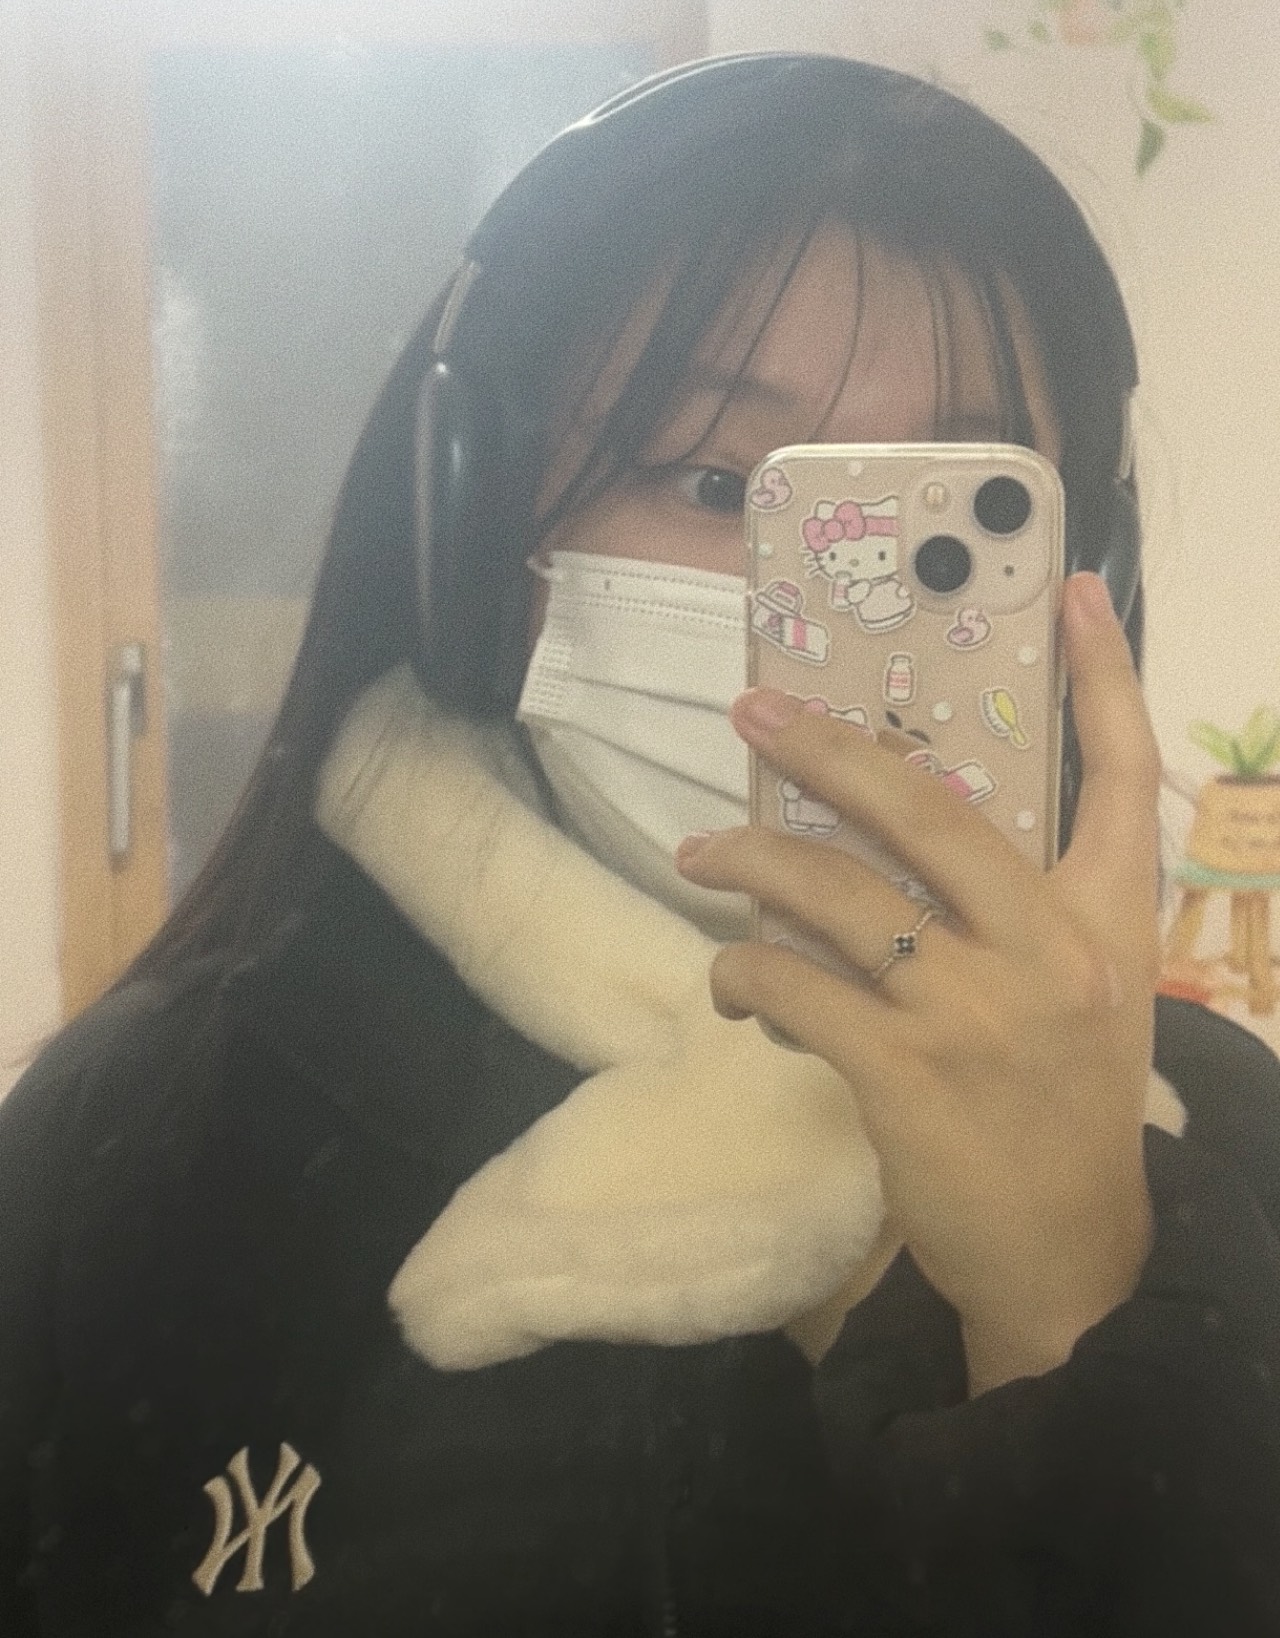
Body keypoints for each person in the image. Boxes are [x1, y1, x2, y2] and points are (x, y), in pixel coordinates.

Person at [3, 51, 1280, 1638]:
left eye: (949, 511)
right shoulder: (158, 1134)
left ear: (1095, 587)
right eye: (715, 480)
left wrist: (1075, 1297)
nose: (829, 611)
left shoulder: (1220, 1137)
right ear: (483, 541)